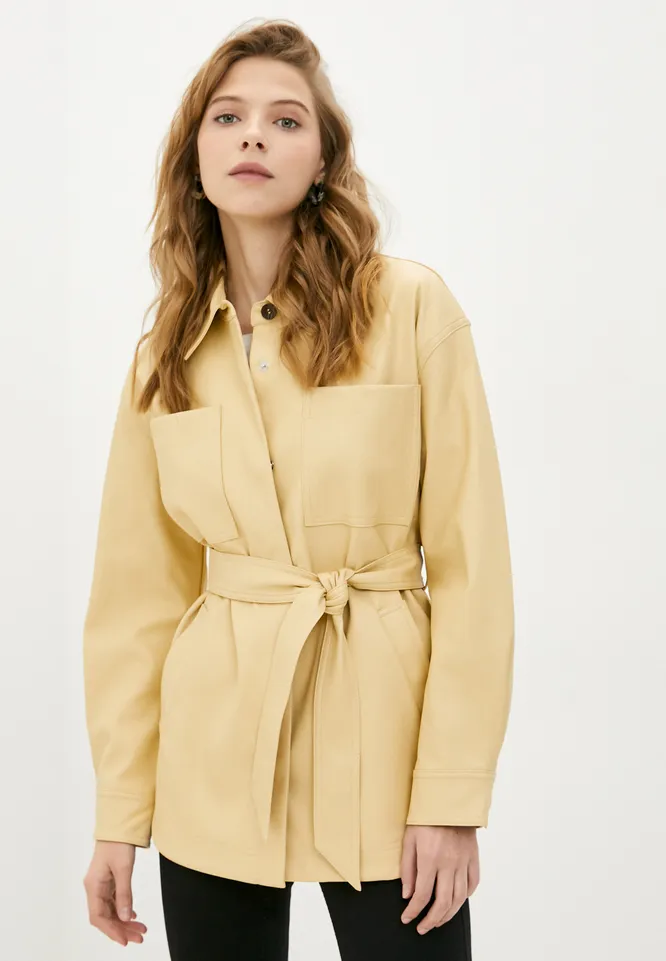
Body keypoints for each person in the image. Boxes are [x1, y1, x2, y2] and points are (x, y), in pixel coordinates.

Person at [81, 17, 514, 960]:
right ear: (195, 155)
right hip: (212, 758)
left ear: (322, 161)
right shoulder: (164, 356)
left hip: (387, 748)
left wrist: (450, 795)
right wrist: (121, 812)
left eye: (286, 121)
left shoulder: (410, 307)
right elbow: (136, 601)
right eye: (228, 117)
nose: (253, 136)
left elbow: (473, 567)